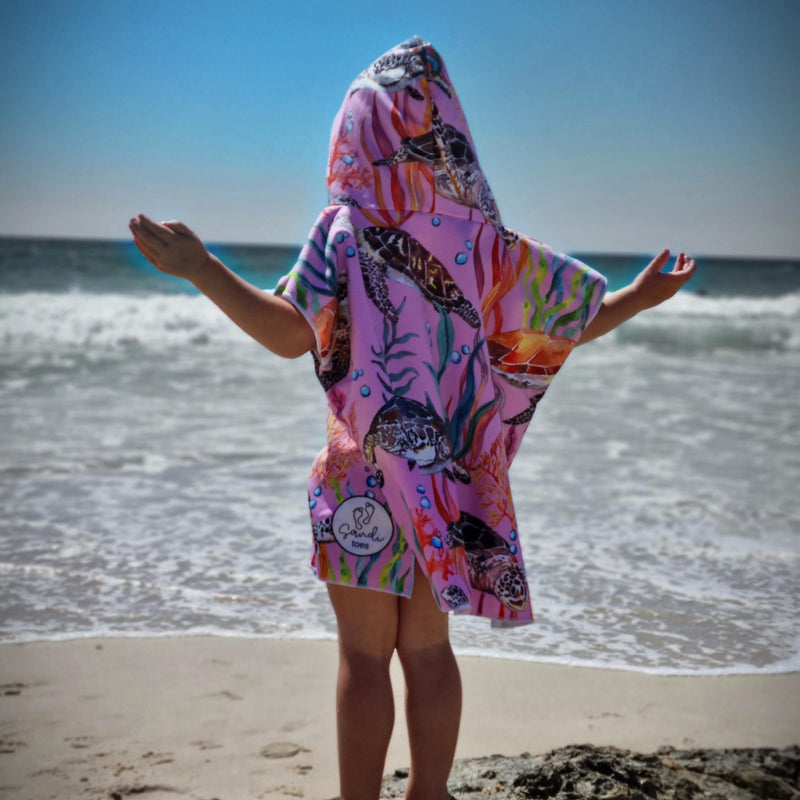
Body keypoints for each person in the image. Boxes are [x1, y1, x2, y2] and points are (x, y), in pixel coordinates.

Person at [130, 36, 694, 800]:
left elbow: (286, 334)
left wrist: (201, 270)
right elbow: (563, 320)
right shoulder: (484, 240)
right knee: (429, 652)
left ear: (354, 136)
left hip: (362, 472)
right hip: (450, 484)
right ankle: (429, 795)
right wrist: (638, 297)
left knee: (363, 657)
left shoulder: (344, 226)